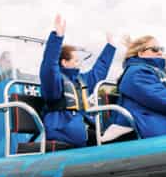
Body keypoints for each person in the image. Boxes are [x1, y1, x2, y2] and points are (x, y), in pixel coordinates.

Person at [38, 15, 115, 150]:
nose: (78, 64)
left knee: (115, 139)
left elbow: (98, 72)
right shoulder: (54, 82)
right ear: (64, 62)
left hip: (79, 129)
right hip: (62, 130)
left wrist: (110, 47)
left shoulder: (79, 81)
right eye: (75, 61)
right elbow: (49, 65)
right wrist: (57, 37)